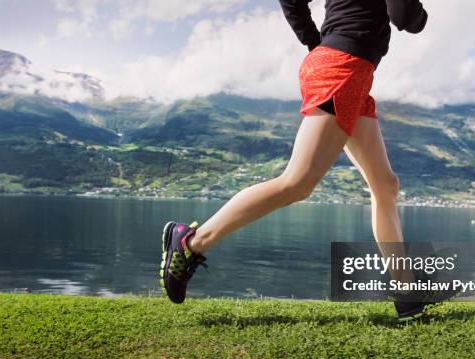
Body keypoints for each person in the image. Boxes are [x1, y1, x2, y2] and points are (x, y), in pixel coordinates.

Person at [159, 0, 455, 318]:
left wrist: (316, 42)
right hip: (344, 67)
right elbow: (405, 17)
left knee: (385, 185)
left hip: (346, 67)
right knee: (297, 183)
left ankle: (406, 291)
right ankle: (191, 242)